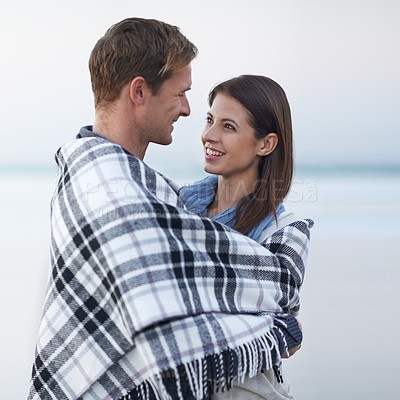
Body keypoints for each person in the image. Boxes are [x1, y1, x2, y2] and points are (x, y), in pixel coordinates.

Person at [28, 18, 312, 400]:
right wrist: (279, 330)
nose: (187, 111)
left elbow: (274, 289)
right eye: (181, 94)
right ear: (140, 91)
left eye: (226, 125)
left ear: (267, 144)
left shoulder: (161, 200)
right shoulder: (115, 193)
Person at [179, 74, 309, 399]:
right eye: (210, 120)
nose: (209, 135)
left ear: (265, 144)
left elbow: (282, 338)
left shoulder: (284, 232)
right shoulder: (177, 209)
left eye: (228, 127)